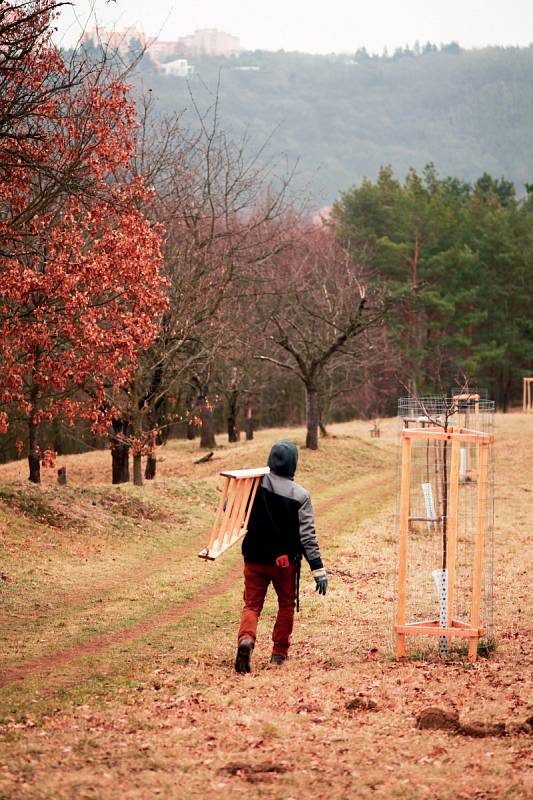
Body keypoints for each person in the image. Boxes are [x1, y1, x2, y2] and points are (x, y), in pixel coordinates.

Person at [235, 439, 328, 673]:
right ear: (293, 464)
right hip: (284, 564)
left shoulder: (253, 483)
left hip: (254, 558)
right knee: (286, 604)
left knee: (252, 605)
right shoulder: (301, 495)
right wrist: (318, 569)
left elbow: (232, 508)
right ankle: (278, 653)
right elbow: (307, 537)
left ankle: (246, 639)